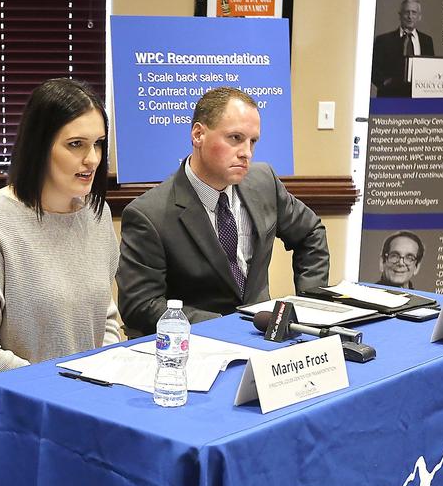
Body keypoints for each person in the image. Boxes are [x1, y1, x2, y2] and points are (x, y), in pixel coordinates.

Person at [0, 78, 122, 450]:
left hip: (81, 392)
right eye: (76, 145)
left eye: (98, 144)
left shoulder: (97, 215)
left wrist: (98, 373)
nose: (91, 158)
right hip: (7, 401)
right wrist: (54, 385)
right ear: (40, 146)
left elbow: (105, 317)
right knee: (110, 454)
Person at [117, 87, 329, 337]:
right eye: (235, 138)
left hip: (264, 340)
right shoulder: (149, 215)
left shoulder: (263, 182)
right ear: (198, 135)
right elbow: (140, 305)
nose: (246, 152)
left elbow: (310, 234)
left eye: (253, 141)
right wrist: (226, 327)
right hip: (197, 347)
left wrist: (308, 304)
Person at [372, 0, 435, 97]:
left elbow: (431, 68)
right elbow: (373, 68)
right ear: (400, 15)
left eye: (414, 13)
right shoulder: (383, 40)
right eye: (407, 12)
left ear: (419, 17)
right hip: (390, 98)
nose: (410, 16)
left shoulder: (427, 41)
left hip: (419, 98)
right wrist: (385, 83)